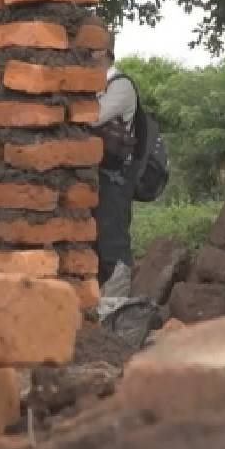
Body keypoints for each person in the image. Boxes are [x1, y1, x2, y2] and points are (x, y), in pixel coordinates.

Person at [93, 50, 139, 287]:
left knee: (113, 244)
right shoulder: (98, 85)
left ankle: (119, 309)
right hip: (98, 177)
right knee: (96, 243)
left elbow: (93, 117)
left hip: (116, 179)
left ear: (103, 53)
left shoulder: (120, 85)